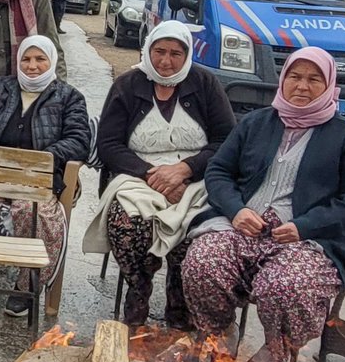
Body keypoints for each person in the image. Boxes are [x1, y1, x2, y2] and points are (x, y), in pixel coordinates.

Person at [182, 48, 345, 362]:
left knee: (285, 286)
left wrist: (305, 225)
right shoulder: (256, 123)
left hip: (311, 240)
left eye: (314, 79)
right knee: (202, 261)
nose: (302, 86)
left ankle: (273, 353)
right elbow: (219, 172)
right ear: (282, 79)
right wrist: (237, 210)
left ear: (329, 84)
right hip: (243, 227)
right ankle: (219, 336)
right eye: (294, 77)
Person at [85, 20, 235, 328]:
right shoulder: (128, 85)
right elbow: (109, 144)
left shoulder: (205, 84)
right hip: (137, 177)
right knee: (126, 224)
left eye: (176, 53)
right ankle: (138, 292)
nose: (166, 61)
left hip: (195, 180)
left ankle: (179, 307)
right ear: (148, 49)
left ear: (187, 54)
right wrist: (153, 175)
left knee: (197, 232)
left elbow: (226, 141)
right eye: (159, 52)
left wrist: (185, 169)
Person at [0, 35, 91, 314]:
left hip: (40, 182)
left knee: (36, 214)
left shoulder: (69, 97)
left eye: (40, 59)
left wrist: (36, 162)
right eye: (26, 59)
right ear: (18, 61)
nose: (32, 66)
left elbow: (79, 139)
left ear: (52, 61)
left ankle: (27, 283)